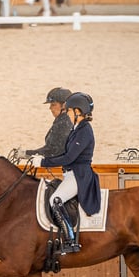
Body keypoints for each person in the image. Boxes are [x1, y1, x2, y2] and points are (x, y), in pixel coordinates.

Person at [31, 92, 100, 254]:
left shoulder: (84, 131)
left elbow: (69, 158)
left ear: (77, 111)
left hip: (79, 175)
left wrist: (43, 163)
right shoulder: (77, 129)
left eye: (68, 111)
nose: (67, 114)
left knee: (56, 200)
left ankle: (70, 240)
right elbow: (63, 153)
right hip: (71, 174)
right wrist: (42, 156)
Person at [21, 87, 72, 158]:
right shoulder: (62, 120)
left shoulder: (64, 123)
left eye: (53, 104)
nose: (50, 108)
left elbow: (52, 151)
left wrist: (27, 154)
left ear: (64, 105)